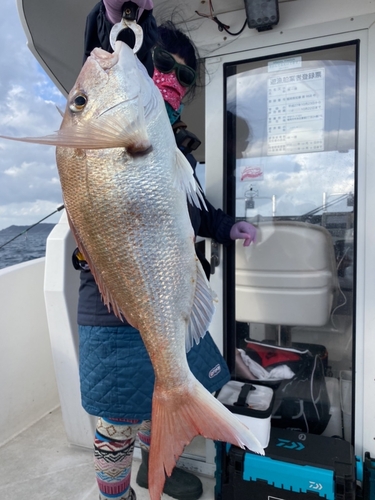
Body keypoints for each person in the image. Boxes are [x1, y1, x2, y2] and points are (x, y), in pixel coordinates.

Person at [76, 3, 257, 500]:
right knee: (117, 423)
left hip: (168, 293)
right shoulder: (110, 127)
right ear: (140, 58)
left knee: (166, 398)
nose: (174, 80)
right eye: (165, 66)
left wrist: (227, 225)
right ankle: (118, 496)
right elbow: (104, 59)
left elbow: (193, 214)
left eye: (185, 74)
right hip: (114, 309)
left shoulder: (178, 150)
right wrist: (116, 15)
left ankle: (160, 461)